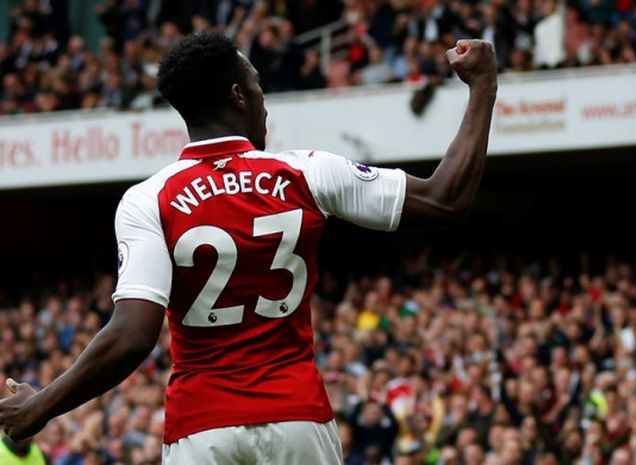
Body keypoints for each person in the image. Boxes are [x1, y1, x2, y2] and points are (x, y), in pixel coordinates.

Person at [0, 32, 497, 464]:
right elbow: (445, 199)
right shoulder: (306, 171)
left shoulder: (148, 200)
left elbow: (132, 336)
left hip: (202, 430)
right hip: (297, 421)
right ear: (239, 96)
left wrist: (41, 404)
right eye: (259, 86)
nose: (265, 101)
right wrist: (482, 86)